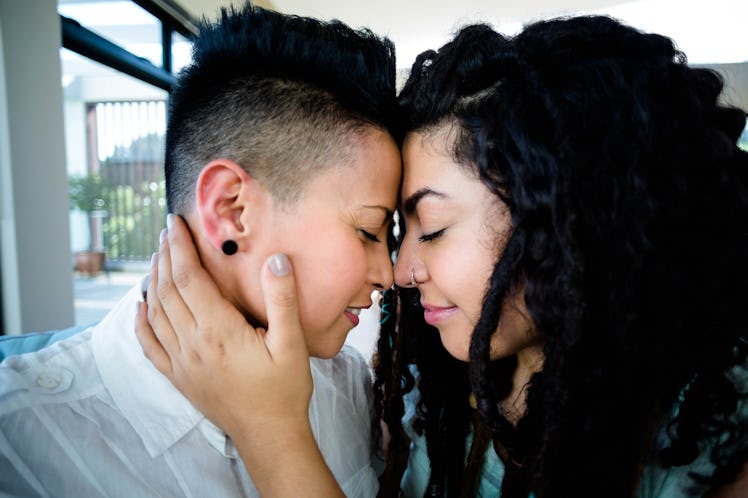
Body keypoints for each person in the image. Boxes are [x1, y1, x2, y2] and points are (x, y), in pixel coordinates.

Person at [135, 15, 748, 498]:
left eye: (430, 228)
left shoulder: (716, 434)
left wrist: (272, 434)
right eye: (390, 230)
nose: (400, 272)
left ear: (567, 220)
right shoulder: (424, 395)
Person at [0, 2, 401, 497]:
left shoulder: (349, 386)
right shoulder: (18, 438)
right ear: (232, 209)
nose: (389, 272)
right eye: (368, 231)